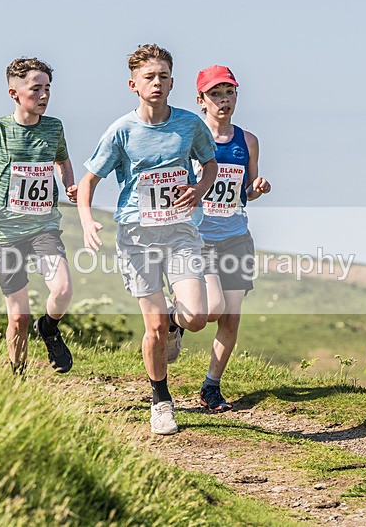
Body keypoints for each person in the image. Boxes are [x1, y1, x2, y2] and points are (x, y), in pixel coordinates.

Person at [78, 44, 218, 435]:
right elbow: (90, 179)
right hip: (137, 235)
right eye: (148, 77)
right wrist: (87, 219)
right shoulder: (122, 130)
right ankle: (161, 401)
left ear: (172, 81)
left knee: (196, 318)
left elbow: (210, 164)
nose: (156, 83)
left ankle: (176, 323)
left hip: (180, 231)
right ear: (133, 84)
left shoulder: (190, 125)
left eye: (163, 76)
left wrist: (201, 189)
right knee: (152, 325)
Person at [0, 57, 78, 375]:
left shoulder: (54, 127)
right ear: (14, 93)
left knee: (62, 289)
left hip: (44, 227)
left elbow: (63, 161)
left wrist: (70, 185)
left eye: (48, 88)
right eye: (36, 89)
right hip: (6, 233)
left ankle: (48, 327)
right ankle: (17, 379)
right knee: (18, 317)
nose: (44, 96)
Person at [193, 65, 271, 411]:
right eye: (215, 94)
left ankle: (211, 386)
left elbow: (247, 191)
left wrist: (257, 187)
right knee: (212, 309)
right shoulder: (192, 138)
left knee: (231, 317)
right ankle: (173, 316)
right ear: (201, 100)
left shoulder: (248, 140)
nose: (224, 101)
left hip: (236, 235)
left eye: (229, 93)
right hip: (199, 237)